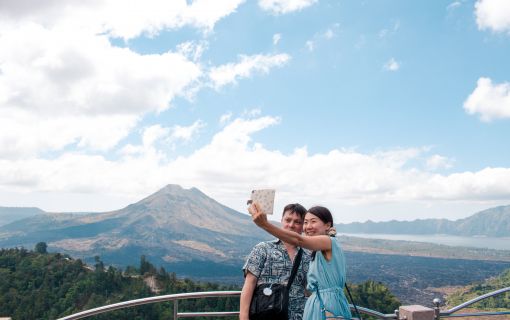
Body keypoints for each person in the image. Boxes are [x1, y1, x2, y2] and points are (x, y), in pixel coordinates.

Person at [249, 204, 352, 320]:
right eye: (306, 222)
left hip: (327, 305)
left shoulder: (328, 241)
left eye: (313, 221)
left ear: (327, 225)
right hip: (318, 303)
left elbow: (298, 239)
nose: (308, 226)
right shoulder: (317, 250)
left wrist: (265, 224)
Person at [240, 203, 311, 320]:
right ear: (281, 221)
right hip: (266, 315)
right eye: (288, 220)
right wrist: (243, 317)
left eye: (297, 222)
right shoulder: (263, 249)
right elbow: (249, 284)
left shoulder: (307, 255)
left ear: (303, 225)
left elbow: (309, 290)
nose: (291, 225)